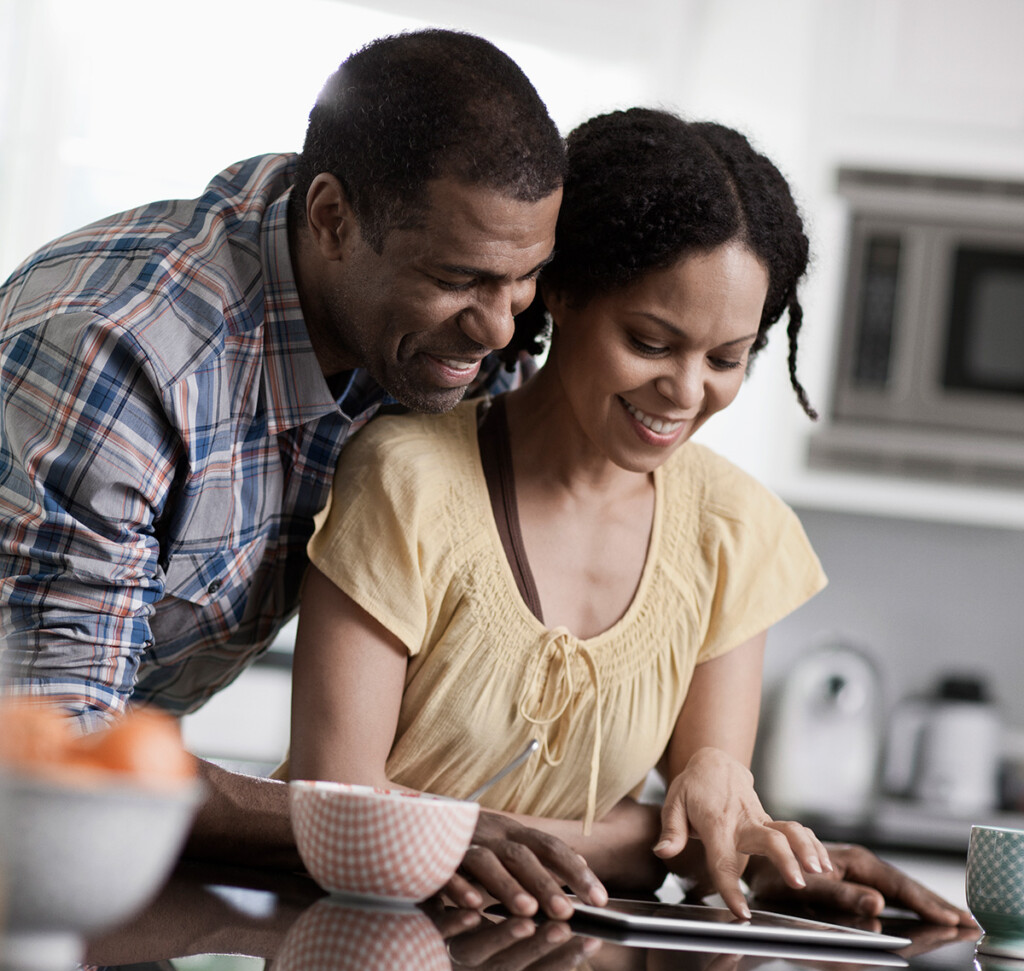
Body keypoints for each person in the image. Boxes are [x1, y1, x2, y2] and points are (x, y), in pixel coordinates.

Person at [286, 108, 974, 927]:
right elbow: (335, 806)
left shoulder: (733, 530)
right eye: (651, 342)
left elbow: (707, 841)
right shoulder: (408, 480)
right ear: (564, 291)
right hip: (347, 943)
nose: (685, 391)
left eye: (726, 359)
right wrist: (641, 840)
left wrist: (763, 852)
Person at [0, 28, 602, 916]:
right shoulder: (126, 356)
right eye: (458, 278)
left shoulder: (434, 341)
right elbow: (56, 754)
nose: (501, 330)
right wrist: (394, 827)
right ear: (330, 219)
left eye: (525, 280)